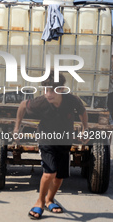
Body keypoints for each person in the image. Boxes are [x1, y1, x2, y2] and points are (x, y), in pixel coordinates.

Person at [13, 71, 88, 219]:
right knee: (49, 172)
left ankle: (49, 200)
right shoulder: (41, 102)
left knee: (59, 176)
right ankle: (39, 202)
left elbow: (82, 111)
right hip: (46, 139)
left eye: (52, 90)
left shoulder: (72, 100)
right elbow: (22, 106)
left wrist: (86, 129)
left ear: (61, 89)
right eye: (45, 90)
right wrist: (16, 128)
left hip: (65, 141)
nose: (48, 94)